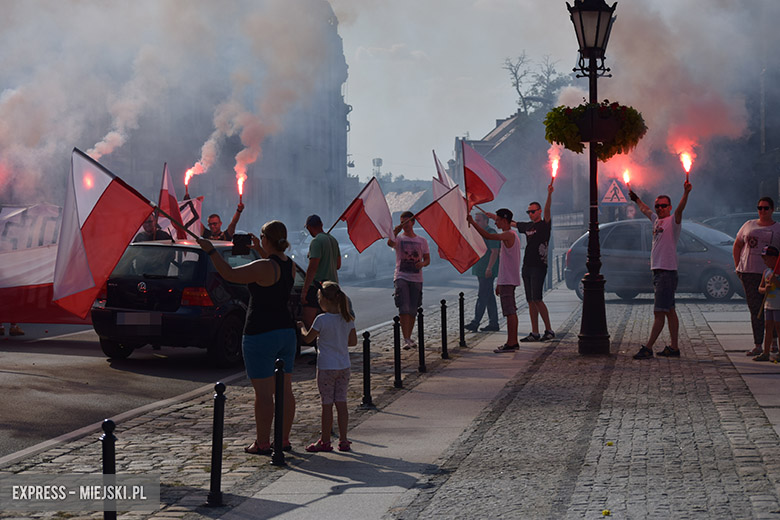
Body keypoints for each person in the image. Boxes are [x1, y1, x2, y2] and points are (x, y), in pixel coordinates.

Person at [196, 220, 296, 455]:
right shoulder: (289, 265)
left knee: (263, 394)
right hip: (286, 332)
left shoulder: (262, 267)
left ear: (266, 239)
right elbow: (274, 267)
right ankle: (283, 440)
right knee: (286, 391)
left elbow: (229, 274)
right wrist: (260, 250)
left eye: (262, 237)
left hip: (260, 333)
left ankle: (262, 443)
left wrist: (210, 250)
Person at [629, 180, 692, 359]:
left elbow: (680, 210)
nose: (659, 208)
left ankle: (648, 347)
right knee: (670, 311)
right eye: (658, 206)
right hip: (659, 271)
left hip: (666, 271)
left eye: (663, 206)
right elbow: (645, 210)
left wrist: (686, 193)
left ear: (669, 207)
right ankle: (674, 347)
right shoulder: (656, 220)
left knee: (659, 312)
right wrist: (636, 199)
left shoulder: (673, 221)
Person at [298, 282, 357, 452]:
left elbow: (308, 339)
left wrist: (302, 328)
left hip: (326, 367)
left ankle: (325, 441)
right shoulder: (347, 318)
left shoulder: (321, 320)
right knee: (341, 402)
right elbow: (352, 342)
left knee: (327, 404)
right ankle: (344, 440)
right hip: (343, 366)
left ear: (324, 300)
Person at [468, 208, 522, 353]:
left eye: (498, 220)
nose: (496, 222)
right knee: (510, 311)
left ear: (504, 221)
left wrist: (472, 222)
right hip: (506, 279)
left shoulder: (509, 235)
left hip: (508, 280)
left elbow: (487, 235)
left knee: (510, 312)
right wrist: (498, 282)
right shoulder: (512, 234)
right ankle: (512, 342)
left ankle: (512, 343)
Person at [733, 197, 780, 357]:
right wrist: (738, 265)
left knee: (773, 308)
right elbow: (738, 245)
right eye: (759, 208)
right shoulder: (748, 225)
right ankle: (758, 344)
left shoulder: (778, 228)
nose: (762, 211)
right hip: (749, 271)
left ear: (772, 210)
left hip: (771, 273)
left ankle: (773, 342)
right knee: (755, 308)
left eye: (766, 208)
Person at [513, 184, 555, 342]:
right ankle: (535, 332)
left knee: (537, 299)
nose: (530, 214)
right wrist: (495, 217)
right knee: (530, 300)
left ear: (539, 212)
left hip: (539, 266)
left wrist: (549, 194)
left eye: (533, 211)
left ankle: (549, 330)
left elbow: (548, 210)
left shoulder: (544, 225)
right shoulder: (528, 226)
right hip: (527, 266)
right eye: (528, 212)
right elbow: (513, 224)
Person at [387, 211, 430, 349]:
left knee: (413, 309)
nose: (405, 225)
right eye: (402, 222)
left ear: (413, 222)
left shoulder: (422, 241)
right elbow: (390, 243)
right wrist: (395, 231)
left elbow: (427, 259)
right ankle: (405, 338)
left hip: (416, 277)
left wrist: (422, 264)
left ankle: (409, 337)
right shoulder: (399, 239)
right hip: (401, 276)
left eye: (407, 222)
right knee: (403, 306)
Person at [301, 214, 341, 329]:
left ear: (308, 227)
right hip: (334, 286)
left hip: (319, 286)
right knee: (331, 322)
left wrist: (304, 291)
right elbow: (338, 265)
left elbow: (312, 268)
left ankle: (314, 342)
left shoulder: (316, 242)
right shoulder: (333, 240)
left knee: (309, 323)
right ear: (321, 225)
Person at [465, 212, 500, 333]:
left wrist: (489, 268)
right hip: (480, 269)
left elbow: (495, 251)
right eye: (476, 220)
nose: (476, 222)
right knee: (489, 296)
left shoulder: (491, 233)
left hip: (487, 270)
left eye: (478, 220)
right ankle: (493, 322)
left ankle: (475, 322)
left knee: (482, 296)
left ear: (486, 221)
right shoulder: (478, 233)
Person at [754, 245, 780, 362]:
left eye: (767, 259)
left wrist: (776, 283)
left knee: (779, 329)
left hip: (778, 305)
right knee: (768, 327)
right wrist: (765, 290)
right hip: (768, 305)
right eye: (764, 259)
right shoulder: (766, 272)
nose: (765, 262)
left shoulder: (778, 272)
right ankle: (765, 352)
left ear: (775, 258)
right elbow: (760, 288)